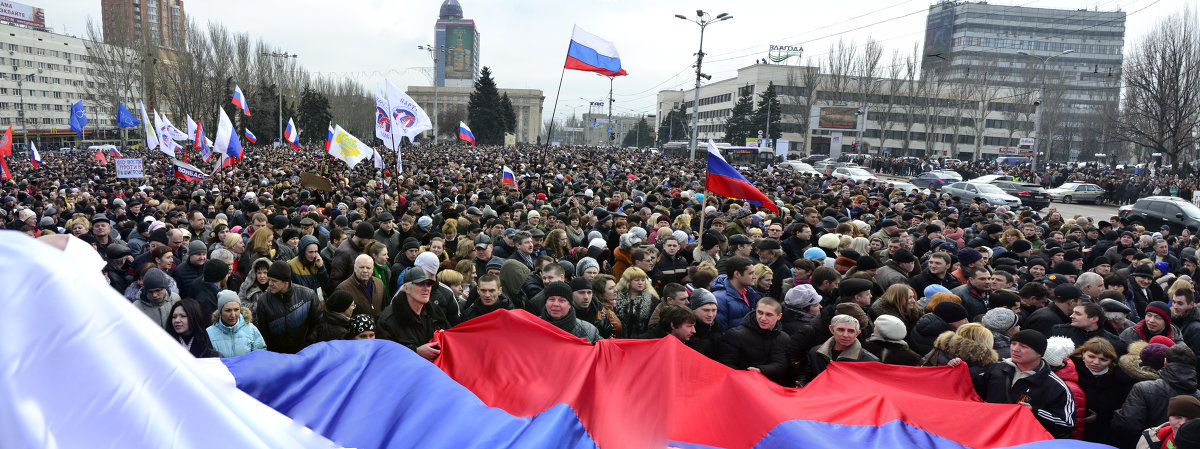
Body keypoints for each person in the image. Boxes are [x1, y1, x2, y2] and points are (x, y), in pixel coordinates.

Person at [974, 329, 1075, 438]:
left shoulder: (1056, 386)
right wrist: (956, 368)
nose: (1015, 349)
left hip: (1023, 440)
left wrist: (1034, 411)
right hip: (988, 434)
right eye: (1013, 344)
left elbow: (1066, 424)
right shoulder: (996, 369)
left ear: (1039, 353)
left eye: (1023, 346)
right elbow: (969, 393)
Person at [1115, 345, 1200, 443]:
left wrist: (1117, 415)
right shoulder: (1198, 396)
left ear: (1165, 362)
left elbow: (1128, 424)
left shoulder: (1143, 388)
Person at [717, 297, 793, 386]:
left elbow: (781, 365)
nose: (763, 318)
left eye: (769, 315)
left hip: (771, 389)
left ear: (779, 316)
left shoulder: (783, 338)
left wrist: (760, 370)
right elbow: (726, 366)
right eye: (760, 313)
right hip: (742, 386)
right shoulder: (735, 335)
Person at [377, 268, 450, 360]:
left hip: (433, 371)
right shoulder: (388, 319)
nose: (426, 288)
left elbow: (450, 335)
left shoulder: (434, 312)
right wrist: (416, 352)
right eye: (420, 284)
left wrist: (445, 337)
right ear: (406, 288)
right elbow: (384, 356)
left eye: (429, 284)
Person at [1070, 337, 1132, 444]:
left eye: (1103, 360)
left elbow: (1120, 408)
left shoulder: (1118, 379)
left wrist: (1100, 416)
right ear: (1083, 353)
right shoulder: (1071, 370)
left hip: (1100, 432)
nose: (1096, 362)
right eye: (1091, 357)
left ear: (1111, 361)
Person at [253, 261, 321, 354]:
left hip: (303, 352)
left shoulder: (308, 295)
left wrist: (310, 341)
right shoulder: (263, 300)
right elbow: (262, 332)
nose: (270, 284)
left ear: (286, 282)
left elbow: (318, 321)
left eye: (274, 281)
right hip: (277, 356)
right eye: (269, 280)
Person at [805, 314, 881, 383]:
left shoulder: (870, 361)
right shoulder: (815, 352)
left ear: (857, 333)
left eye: (851, 331)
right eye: (841, 330)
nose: (845, 335)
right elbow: (806, 377)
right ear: (831, 329)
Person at [205, 291, 266, 357]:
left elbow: (260, 354)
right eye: (228, 310)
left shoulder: (251, 329)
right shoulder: (209, 333)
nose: (233, 315)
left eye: (236, 310)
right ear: (220, 311)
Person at [710, 256, 762, 332]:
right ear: (737, 274)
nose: (755, 277)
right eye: (751, 273)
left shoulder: (750, 293)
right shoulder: (719, 299)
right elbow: (721, 332)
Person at [614, 267, 659, 338]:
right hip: (619, 340)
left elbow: (653, 324)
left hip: (643, 340)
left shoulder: (652, 300)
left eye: (643, 280)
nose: (640, 283)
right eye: (636, 280)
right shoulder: (615, 298)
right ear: (627, 281)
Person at [687, 288, 723, 359]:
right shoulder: (685, 329)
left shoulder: (717, 326)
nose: (710, 315)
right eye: (706, 310)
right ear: (693, 309)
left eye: (714, 310)